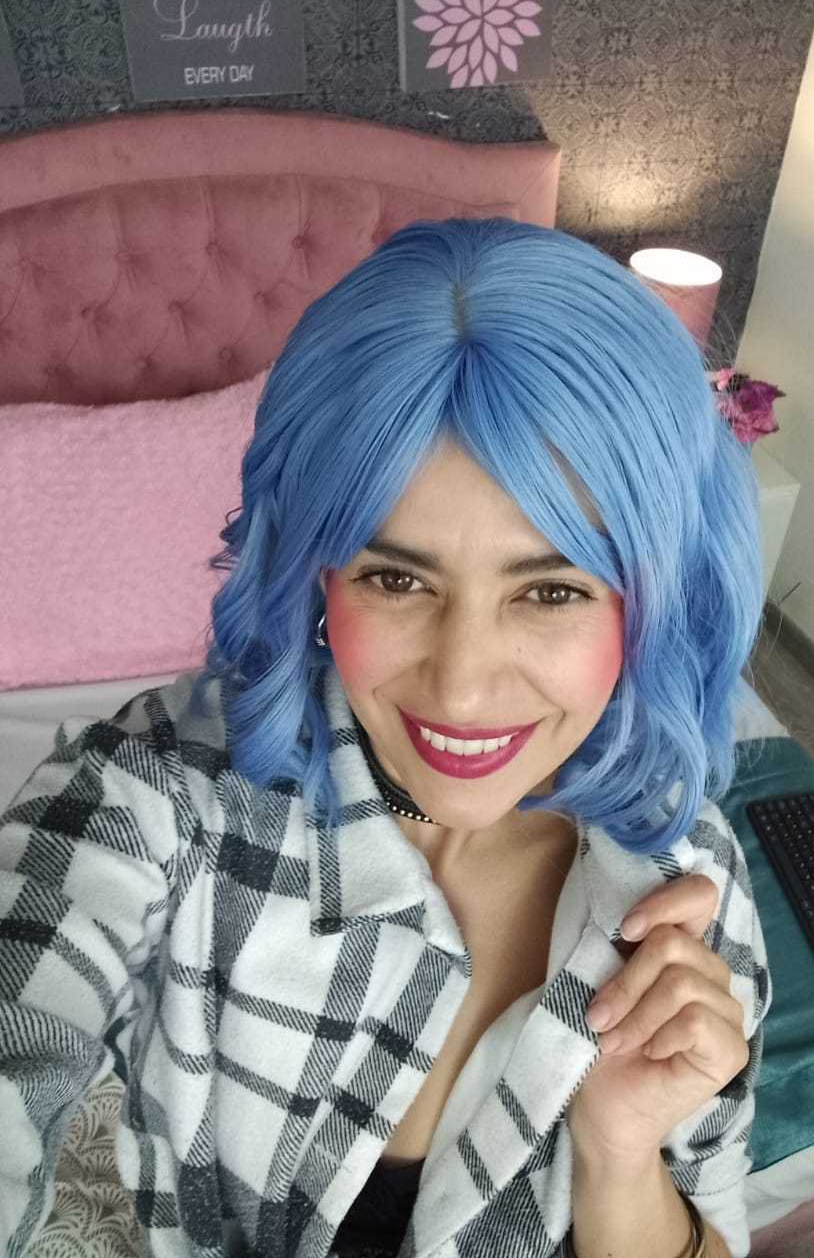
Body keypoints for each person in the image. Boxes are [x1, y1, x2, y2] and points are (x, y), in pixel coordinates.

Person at [0, 218, 771, 1258]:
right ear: (316, 577)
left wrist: (622, 1156)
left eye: (550, 590)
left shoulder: (688, 886)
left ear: (652, 606)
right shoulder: (155, 791)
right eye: (397, 578)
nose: (463, 686)